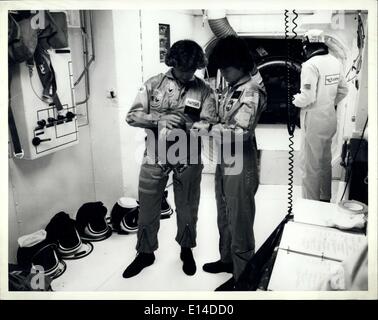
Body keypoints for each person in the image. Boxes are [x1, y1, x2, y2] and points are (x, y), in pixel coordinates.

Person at [123, 40, 217, 278]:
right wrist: (159, 120)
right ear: (173, 63)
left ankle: (186, 250)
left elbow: (210, 124)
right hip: (155, 152)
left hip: (188, 154)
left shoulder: (204, 90)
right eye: (183, 69)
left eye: (192, 70)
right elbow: (132, 116)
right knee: (147, 205)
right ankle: (145, 253)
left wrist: (190, 123)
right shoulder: (153, 84)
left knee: (188, 205)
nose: (187, 74)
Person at [203, 35, 267, 290]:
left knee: (239, 219)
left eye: (226, 68)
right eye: (221, 68)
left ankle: (244, 278)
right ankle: (227, 260)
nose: (223, 73)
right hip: (225, 158)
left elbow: (241, 132)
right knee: (224, 213)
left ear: (240, 64)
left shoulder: (251, 90)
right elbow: (224, 118)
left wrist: (207, 128)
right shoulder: (233, 87)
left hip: (241, 160)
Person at [293, 29, 349, 202]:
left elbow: (307, 97)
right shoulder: (335, 61)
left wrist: (295, 100)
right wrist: (328, 102)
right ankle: (325, 197)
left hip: (314, 121)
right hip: (329, 119)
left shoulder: (310, 65)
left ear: (307, 46)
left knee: (309, 166)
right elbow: (344, 90)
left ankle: (311, 204)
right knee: (325, 161)